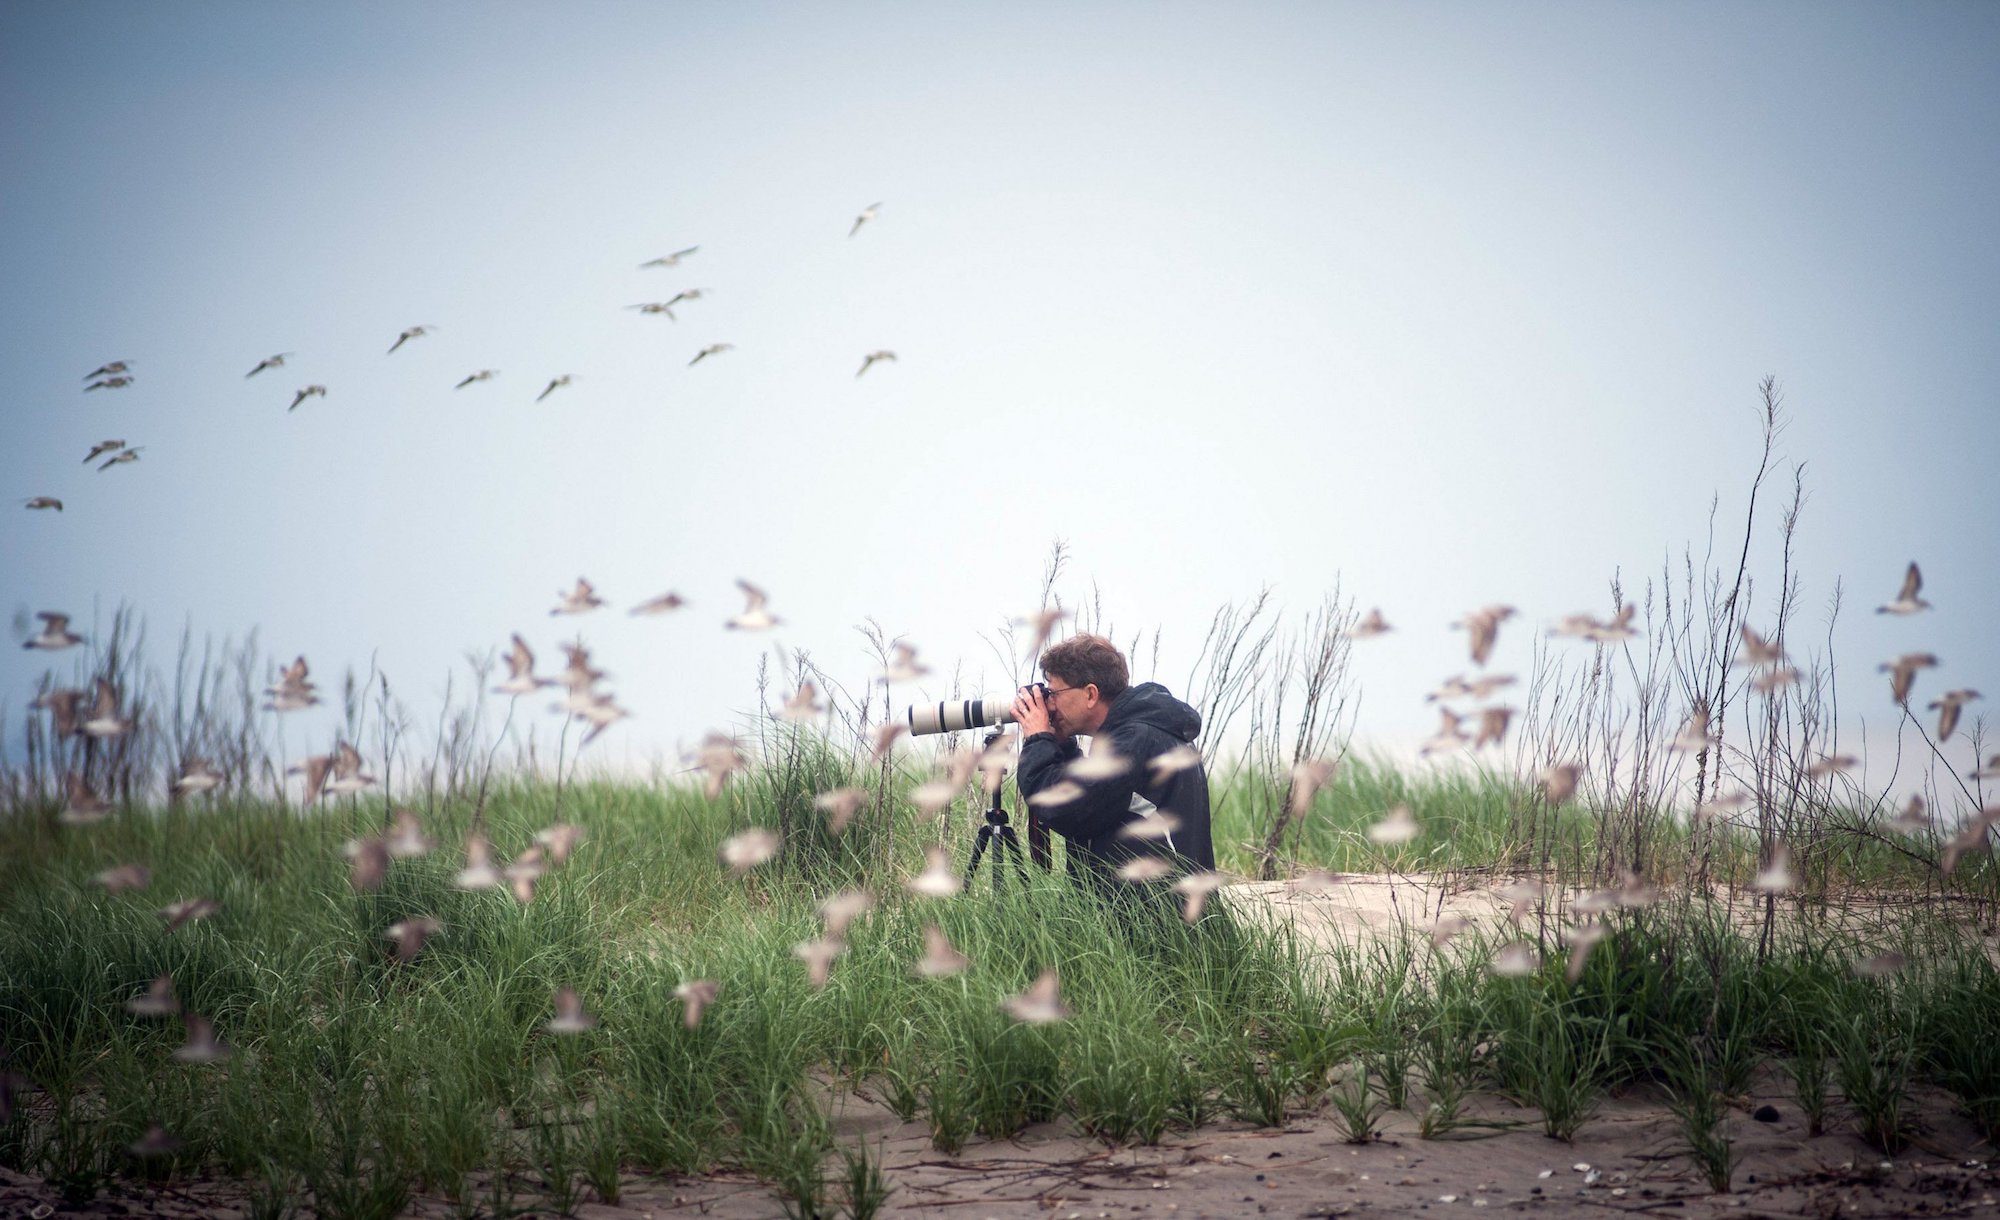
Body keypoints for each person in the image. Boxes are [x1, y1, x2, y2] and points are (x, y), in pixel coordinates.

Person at [1010, 633, 1214, 893]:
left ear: (1091, 694)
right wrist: (1060, 745)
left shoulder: (1132, 742)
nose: (1049, 704)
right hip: (1168, 911)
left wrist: (1038, 740)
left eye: (1053, 692)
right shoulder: (1152, 729)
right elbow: (1097, 800)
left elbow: (1064, 807)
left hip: (1149, 922)